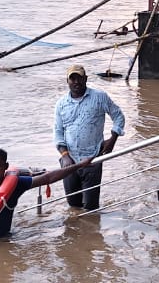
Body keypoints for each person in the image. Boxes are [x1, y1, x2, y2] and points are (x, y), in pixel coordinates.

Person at [0, 148, 92, 240]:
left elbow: (48, 178)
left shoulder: (16, 184)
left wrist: (79, 165)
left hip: (4, 239)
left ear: (5, 166)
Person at [53, 64, 126, 211]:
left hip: (93, 159)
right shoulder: (61, 104)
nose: (76, 82)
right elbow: (58, 132)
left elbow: (118, 116)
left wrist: (112, 140)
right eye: (72, 79)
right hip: (69, 162)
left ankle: (92, 225)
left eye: (79, 78)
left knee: (91, 207)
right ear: (67, 81)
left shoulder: (99, 97)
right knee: (73, 205)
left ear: (85, 79)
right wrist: (65, 156)